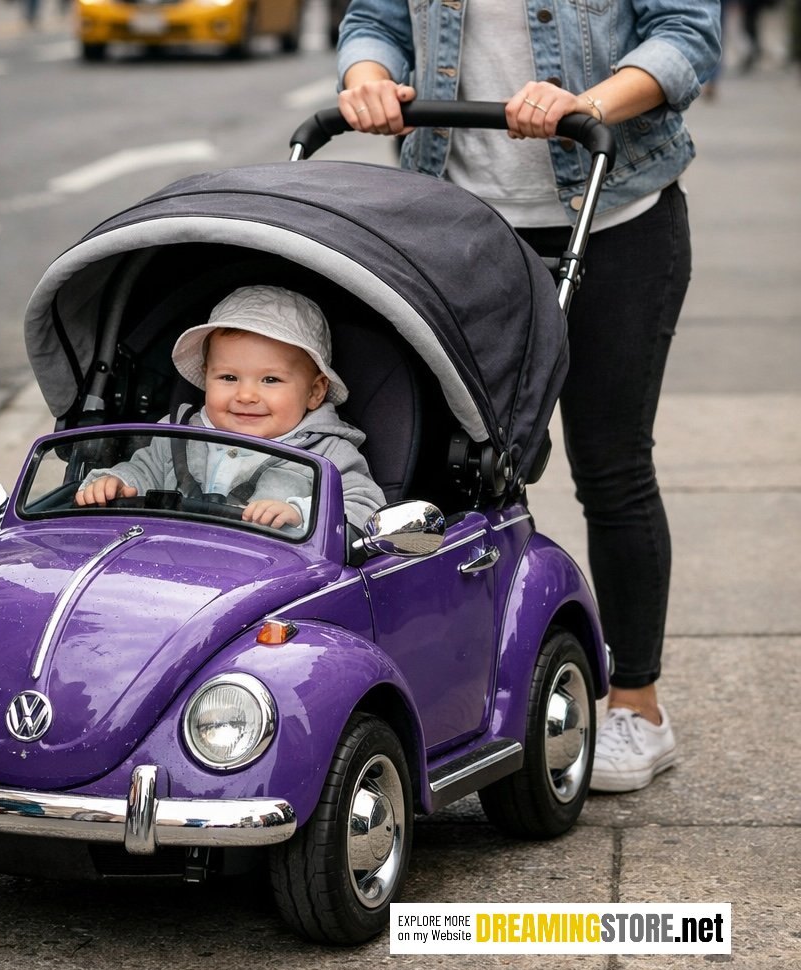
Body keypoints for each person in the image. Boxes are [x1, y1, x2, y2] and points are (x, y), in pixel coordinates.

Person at [337, 1, 720, 793]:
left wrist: (590, 103)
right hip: (455, 227)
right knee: (444, 471)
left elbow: (686, 35)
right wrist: (368, 76)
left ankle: (638, 709)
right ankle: (453, 693)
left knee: (611, 464)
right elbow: (375, 17)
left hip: (615, 215)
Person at [75, 285, 386, 530]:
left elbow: (365, 506)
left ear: (315, 392)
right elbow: (144, 470)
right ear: (207, 377)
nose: (246, 395)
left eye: (270, 379)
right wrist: (117, 483)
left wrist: (300, 514)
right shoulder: (178, 434)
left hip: (275, 581)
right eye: (228, 377)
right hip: (176, 562)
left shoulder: (329, 452)